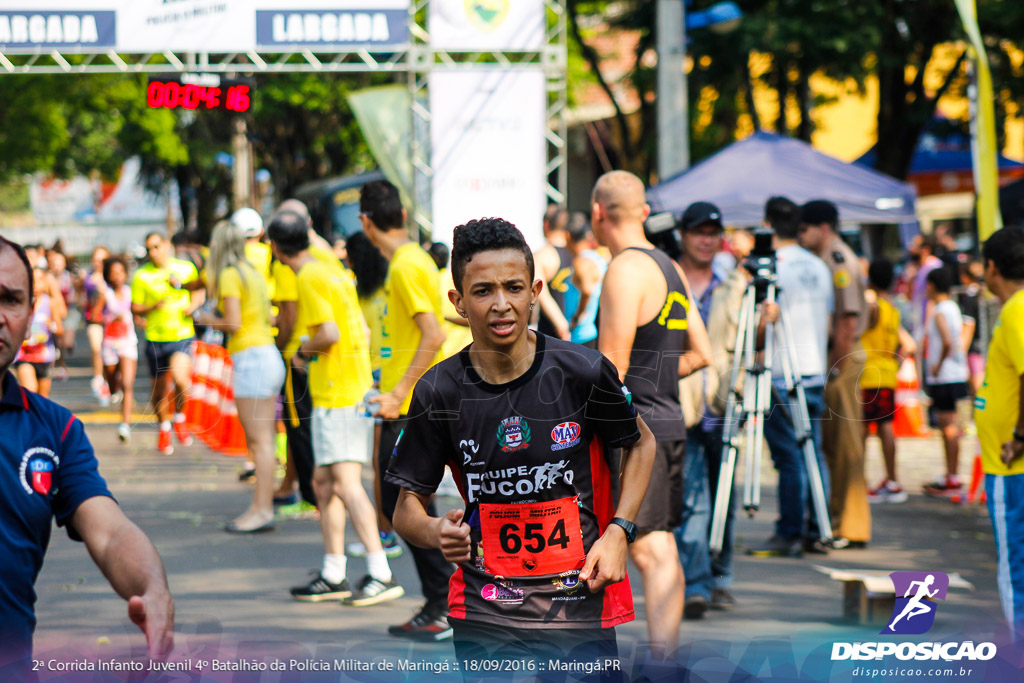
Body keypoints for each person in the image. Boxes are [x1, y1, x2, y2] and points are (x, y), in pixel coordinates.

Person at [387, 217, 655, 670]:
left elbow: (641, 443)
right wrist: (437, 532)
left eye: (513, 288)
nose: (501, 305)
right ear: (457, 301)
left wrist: (619, 531)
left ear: (535, 291)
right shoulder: (439, 391)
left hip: (575, 604)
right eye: (483, 291)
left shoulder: (582, 371)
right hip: (484, 603)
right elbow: (405, 506)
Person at [0, 236, 174, 680]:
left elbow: (110, 532)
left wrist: (152, 589)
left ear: (29, 312)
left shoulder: (55, 431)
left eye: (11, 300)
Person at [592, 171, 712, 655]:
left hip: (638, 434)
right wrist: (655, 379)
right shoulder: (671, 267)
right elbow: (701, 353)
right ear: (641, 211)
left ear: (599, 213)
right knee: (656, 544)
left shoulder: (624, 269)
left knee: (651, 548)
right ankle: (664, 658)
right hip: (668, 422)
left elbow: (610, 369)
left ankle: (664, 661)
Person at [269, 216, 403, 605]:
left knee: (344, 483)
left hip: (338, 393)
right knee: (326, 484)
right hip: (345, 390)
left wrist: (300, 352)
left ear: (276, 248)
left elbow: (329, 334)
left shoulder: (309, 277)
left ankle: (380, 572)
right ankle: (334, 572)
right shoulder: (330, 270)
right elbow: (357, 330)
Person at [360, 178, 454, 640]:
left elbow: (432, 334)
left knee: (402, 504)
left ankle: (445, 602)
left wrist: (399, 393)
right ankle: (444, 599)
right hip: (408, 403)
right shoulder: (411, 261)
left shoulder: (403, 266)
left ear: (365, 222)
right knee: (405, 501)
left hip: (414, 406)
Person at [748, 197, 834, 558]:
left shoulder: (771, 269)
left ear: (767, 224)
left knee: (789, 458)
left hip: (782, 372)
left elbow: (761, 326)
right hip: (814, 367)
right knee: (813, 452)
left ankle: (790, 530)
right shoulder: (819, 265)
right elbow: (829, 319)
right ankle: (818, 528)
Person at [195, 220, 286, 532]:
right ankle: (261, 508)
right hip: (265, 356)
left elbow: (232, 323)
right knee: (265, 442)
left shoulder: (231, 275)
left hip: (252, 359)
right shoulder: (252, 272)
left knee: (260, 443)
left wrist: (205, 317)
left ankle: (261, 510)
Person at [798, 200, 869, 548]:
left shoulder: (839, 260)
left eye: (804, 228)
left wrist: (837, 367)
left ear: (822, 227)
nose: (801, 235)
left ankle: (850, 526)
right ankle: (840, 521)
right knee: (834, 446)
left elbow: (847, 320)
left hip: (843, 358)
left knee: (847, 446)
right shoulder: (829, 260)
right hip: (837, 357)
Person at [671, 201, 728, 619]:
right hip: (682, 400)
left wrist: (765, 323)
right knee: (694, 497)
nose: (706, 239)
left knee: (723, 492)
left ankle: (718, 575)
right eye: (698, 232)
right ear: (683, 236)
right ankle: (697, 584)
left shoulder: (738, 284)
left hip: (727, 402)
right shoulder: (665, 279)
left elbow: (753, 345)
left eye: (713, 232)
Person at [974, 226, 1024, 640]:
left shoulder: (1016, 310)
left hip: (1011, 468)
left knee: (1015, 568)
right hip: (1008, 465)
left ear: (992, 267)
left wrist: (1021, 436)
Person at [345, 230, 403, 558]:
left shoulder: (359, 293)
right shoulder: (388, 285)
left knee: (380, 461)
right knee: (386, 460)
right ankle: (388, 530)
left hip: (374, 383)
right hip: (393, 378)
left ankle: (386, 532)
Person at [131, 232, 203, 455]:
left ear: (166, 245)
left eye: (156, 247)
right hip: (155, 338)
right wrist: (151, 307)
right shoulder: (142, 276)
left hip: (181, 334)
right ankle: (164, 427)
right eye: (149, 249)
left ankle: (179, 417)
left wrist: (193, 306)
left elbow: (199, 289)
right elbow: (135, 306)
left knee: (182, 381)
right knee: (159, 391)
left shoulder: (185, 268)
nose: (153, 252)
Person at [862, 259, 917, 503]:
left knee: (862, 429)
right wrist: (895, 362)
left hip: (866, 375)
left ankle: (859, 480)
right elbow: (908, 345)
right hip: (886, 374)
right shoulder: (893, 309)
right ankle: (892, 479)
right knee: (886, 427)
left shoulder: (871, 306)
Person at [921, 267, 970, 499]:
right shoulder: (953, 307)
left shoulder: (940, 310)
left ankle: (952, 476)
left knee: (947, 427)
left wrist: (937, 366)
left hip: (945, 376)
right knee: (952, 427)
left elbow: (948, 341)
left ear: (931, 285)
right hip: (957, 374)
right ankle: (952, 475)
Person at [93, 256, 139, 442]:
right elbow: (94, 316)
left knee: (128, 384)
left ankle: (125, 425)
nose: (118, 276)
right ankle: (113, 390)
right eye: (113, 273)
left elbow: (136, 311)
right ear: (108, 276)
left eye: (121, 272)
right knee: (113, 381)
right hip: (110, 344)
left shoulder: (130, 292)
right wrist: (109, 319)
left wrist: (140, 319)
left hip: (128, 342)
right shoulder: (106, 295)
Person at [14, 266, 62, 399]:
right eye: (32, 281)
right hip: (24, 355)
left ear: (45, 282)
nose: (35, 285)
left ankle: (36, 419)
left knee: (42, 400)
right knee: (30, 391)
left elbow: (60, 330)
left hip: (44, 355)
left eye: (39, 280)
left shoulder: (51, 303)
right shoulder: (19, 303)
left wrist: (51, 325)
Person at [564, 213, 606, 348]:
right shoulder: (598, 258)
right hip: (595, 331)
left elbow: (587, 290)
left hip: (582, 335)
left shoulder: (581, 262)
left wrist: (577, 317)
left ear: (568, 236)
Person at [534, 204, 573, 340]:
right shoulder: (579, 253)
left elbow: (542, 294)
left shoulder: (542, 256)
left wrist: (562, 327)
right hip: (582, 331)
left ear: (546, 225)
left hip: (552, 335)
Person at [429, 241, 473, 360]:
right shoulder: (459, 280)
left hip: (444, 353)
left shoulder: (432, 281)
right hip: (467, 351)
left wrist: (443, 317)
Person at [83, 246, 111, 403]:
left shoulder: (113, 276)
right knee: (96, 347)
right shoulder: (88, 277)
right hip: (93, 319)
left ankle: (110, 384)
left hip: (110, 321)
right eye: (96, 259)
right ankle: (98, 378)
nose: (98, 262)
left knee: (109, 354)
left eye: (102, 259)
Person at [957, 260, 987, 396]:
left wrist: (960, 352)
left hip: (974, 349)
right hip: (985, 345)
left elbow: (969, 326)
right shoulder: (985, 294)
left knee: (978, 388)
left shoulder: (970, 297)